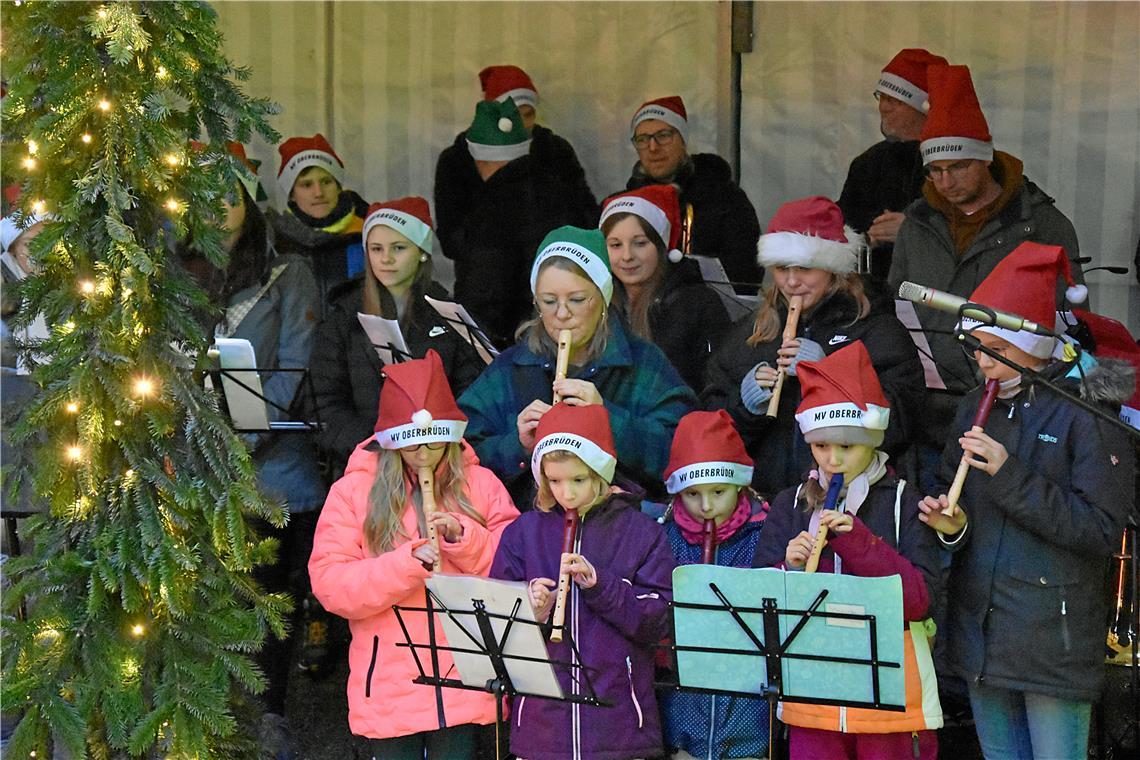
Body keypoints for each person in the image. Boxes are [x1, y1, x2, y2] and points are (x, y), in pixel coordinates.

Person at [915, 242, 1133, 760]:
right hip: (981, 630)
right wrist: (951, 523)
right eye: (979, 349)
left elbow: (1102, 529)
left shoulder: (1087, 412)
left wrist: (1009, 474)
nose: (986, 365)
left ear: (1039, 346)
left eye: (1002, 351)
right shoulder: (974, 405)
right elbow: (956, 504)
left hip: (1051, 636)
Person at [175, 142, 325, 738]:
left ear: (248, 201)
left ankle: (270, 718)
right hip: (189, 463)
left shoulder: (290, 273)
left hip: (270, 471)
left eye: (228, 195)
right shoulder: (173, 275)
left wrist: (243, 441)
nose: (216, 207)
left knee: (266, 603)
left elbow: (294, 367)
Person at [308, 350, 519, 758]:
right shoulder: (352, 493)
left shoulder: (483, 484)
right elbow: (330, 584)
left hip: (468, 686)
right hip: (390, 692)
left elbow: (516, 567)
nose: (424, 455)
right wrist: (404, 566)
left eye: (435, 443)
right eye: (413, 445)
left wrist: (465, 540)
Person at [888, 65, 1083, 474]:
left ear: (986, 159)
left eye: (958, 167)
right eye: (934, 171)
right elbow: (897, 306)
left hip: (1014, 411)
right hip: (927, 410)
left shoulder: (1043, 225)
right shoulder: (917, 223)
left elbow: (1067, 325)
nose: (946, 181)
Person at [753, 340, 943, 759]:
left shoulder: (902, 501)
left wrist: (857, 540)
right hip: (812, 698)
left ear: (873, 441)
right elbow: (760, 604)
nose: (833, 460)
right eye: (821, 447)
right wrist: (788, 566)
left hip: (891, 702)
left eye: (848, 446)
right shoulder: (791, 502)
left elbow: (920, 599)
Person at [703, 196, 924, 500]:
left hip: (853, 501)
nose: (791, 281)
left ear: (833, 269)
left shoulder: (877, 330)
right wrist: (744, 406)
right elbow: (711, 438)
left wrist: (831, 374)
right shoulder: (750, 333)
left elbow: (901, 423)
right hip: (768, 505)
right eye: (781, 268)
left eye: (805, 269)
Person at [458, 225, 696, 504]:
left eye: (577, 300)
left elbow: (684, 458)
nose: (561, 314)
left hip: (621, 532)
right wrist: (518, 446)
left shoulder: (643, 363)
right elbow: (457, 455)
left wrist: (608, 421)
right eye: (548, 301)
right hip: (528, 533)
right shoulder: (512, 367)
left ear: (604, 300)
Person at [490, 402, 675, 760]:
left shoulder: (642, 533)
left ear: (602, 473)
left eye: (579, 480)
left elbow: (660, 621)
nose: (567, 494)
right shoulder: (522, 533)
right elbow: (494, 627)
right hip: (542, 735)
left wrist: (601, 587)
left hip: (619, 732)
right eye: (554, 481)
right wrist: (532, 611)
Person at [310, 196, 484, 478]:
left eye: (398, 248)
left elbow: (472, 397)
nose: (386, 259)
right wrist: (380, 448)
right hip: (364, 471)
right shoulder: (343, 316)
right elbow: (324, 403)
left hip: (441, 470)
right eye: (376, 249)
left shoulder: (449, 315)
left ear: (422, 252)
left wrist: (431, 448)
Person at [434, 83, 598, 347]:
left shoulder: (489, 208)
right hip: (556, 323)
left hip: (505, 337)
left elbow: (486, 288)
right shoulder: (556, 187)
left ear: (480, 160)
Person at [657, 410, 770, 760]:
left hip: (749, 725)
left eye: (719, 492)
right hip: (682, 720)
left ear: (741, 485)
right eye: (692, 495)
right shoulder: (663, 538)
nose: (706, 507)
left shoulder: (764, 536)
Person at [624, 96, 762, 293]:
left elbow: (746, 274)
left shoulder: (727, 200)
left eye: (663, 135)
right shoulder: (624, 204)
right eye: (642, 139)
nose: (653, 147)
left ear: (683, 141)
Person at [599, 185, 731, 390]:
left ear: (662, 247)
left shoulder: (698, 304)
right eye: (615, 245)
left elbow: (717, 386)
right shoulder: (596, 303)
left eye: (640, 243)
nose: (627, 256)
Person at [837, 48, 948, 279]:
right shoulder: (867, 164)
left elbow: (974, 230)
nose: (883, 107)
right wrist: (867, 237)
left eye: (895, 100)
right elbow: (844, 225)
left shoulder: (956, 166)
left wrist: (913, 232)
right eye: (882, 97)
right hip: (875, 295)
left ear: (924, 108)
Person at [267, 133, 369, 317]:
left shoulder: (368, 235)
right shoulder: (276, 242)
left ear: (338, 186)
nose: (318, 193)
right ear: (291, 194)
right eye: (306, 185)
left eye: (326, 181)